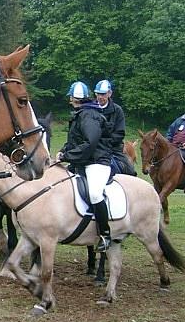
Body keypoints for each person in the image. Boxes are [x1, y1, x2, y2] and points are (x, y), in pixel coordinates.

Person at [57, 81, 114, 252]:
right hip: (82, 162)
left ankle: (105, 234)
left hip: (97, 162)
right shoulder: (80, 113)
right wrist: (62, 152)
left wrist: (67, 156)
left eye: (71, 97)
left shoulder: (89, 115)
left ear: (73, 98)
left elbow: (90, 143)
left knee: (95, 194)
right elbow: (74, 141)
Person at [93, 79, 136, 176]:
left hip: (113, 150)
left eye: (103, 94)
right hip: (92, 148)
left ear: (109, 93)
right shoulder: (90, 109)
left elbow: (119, 134)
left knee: (130, 171)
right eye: (98, 94)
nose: (100, 97)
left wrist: (103, 144)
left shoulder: (118, 110)